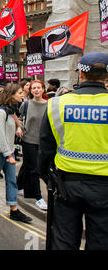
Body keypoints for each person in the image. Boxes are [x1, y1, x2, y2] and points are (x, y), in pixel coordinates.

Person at [38, 52, 108, 250]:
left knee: (64, 240)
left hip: (67, 184)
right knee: (101, 241)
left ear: (81, 75)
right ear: (106, 76)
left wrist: (45, 174)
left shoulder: (57, 104)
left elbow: (45, 147)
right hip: (103, 186)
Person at [0, 83, 32, 223]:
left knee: (11, 181)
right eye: (20, 92)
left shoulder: (11, 111)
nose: (22, 94)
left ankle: (13, 209)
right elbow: (0, 136)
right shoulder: (1, 112)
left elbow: (15, 128)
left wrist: (17, 127)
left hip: (9, 151)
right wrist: (8, 155)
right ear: (11, 94)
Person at [17, 80, 48, 210]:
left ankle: (18, 186)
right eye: (33, 88)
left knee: (27, 165)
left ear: (43, 89)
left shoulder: (50, 105)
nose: (36, 90)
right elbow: (19, 118)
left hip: (44, 141)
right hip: (28, 140)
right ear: (30, 90)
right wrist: (19, 128)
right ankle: (38, 197)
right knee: (34, 169)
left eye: (38, 88)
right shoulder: (26, 104)